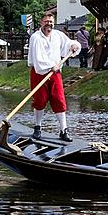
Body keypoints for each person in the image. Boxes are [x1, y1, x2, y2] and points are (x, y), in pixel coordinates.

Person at [27, 13, 81, 142]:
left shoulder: (57, 35)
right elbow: (38, 59)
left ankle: (64, 130)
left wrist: (73, 46)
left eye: (51, 22)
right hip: (39, 73)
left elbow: (68, 44)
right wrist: (51, 66)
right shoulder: (36, 38)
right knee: (40, 101)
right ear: (41, 23)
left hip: (55, 73)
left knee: (59, 100)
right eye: (46, 22)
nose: (49, 24)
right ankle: (37, 127)